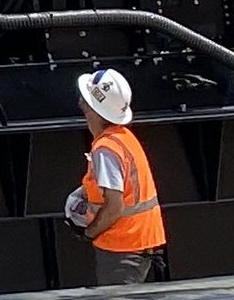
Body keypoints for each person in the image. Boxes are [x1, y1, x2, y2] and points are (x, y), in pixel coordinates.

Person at [62, 67, 167, 285]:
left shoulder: (106, 149)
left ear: (90, 106)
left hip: (123, 248)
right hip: (137, 242)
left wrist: (89, 232)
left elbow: (115, 206)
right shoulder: (123, 138)